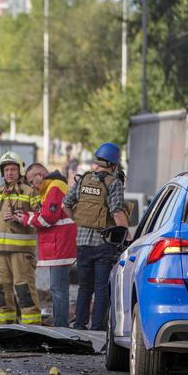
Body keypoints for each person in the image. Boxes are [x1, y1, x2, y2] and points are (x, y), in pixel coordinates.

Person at [63, 142, 128, 331]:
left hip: (82, 243)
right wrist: (127, 236)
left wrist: (80, 221)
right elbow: (117, 212)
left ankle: (80, 325)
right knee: (101, 288)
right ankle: (97, 328)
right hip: (103, 243)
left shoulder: (82, 180)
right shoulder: (113, 183)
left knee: (84, 287)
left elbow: (65, 204)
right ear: (114, 164)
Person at [15, 163, 77, 327]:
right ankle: (61, 325)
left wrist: (27, 219)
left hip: (59, 246)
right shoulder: (52, 187)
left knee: (58, 290)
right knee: (58, 289)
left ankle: (61, 328)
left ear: (40, 174)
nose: (32, 186)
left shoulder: (54, 187)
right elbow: (45, 214)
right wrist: (29, 215)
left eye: (31, 181)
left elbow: (48, 218)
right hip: (59, 245)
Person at [0, 152, 41, 326]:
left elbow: (39, 219)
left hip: (21, 251)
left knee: (24, 289)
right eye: (7, 169)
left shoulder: (30, 192)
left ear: (20, 171)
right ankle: (4, 327)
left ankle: (31, 329)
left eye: (13, 169)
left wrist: (21, 217)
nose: (9, 173)